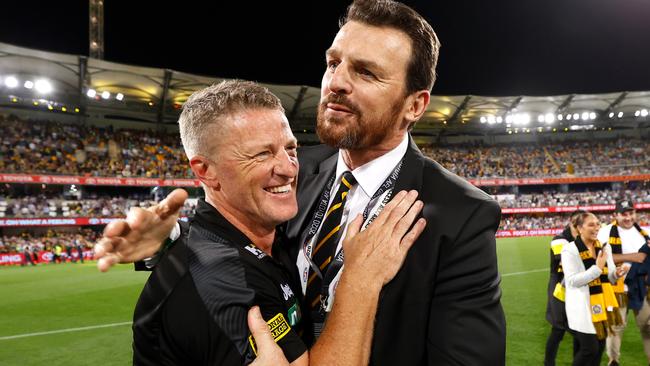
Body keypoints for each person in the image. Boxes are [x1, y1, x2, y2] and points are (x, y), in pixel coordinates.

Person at [96, 1, 505, 364]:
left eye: (365, 72)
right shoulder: (295, 169)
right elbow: (241, 236)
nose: (336, 82)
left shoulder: (460, 213)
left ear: (414, 105)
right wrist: (171, 242)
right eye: (333, 63)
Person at [129, 80, 425, 365]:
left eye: (291, 148)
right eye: (262, 154)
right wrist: (360, 279)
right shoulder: (224, 282)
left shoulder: (260, 230)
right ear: (206, 171)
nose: (289, 168)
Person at [561, 211, 626, 366]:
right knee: (589, 349)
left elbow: (609, 277)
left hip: (601, 306)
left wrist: (616, 274)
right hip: (581, 309)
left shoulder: (604, 247)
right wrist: (596, 268)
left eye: (598, 224)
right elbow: (571, 281)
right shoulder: (570, 250)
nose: (596, 227)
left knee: (599, 348)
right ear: (579, 228)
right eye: (591, 224)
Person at [598, 199, 650, 366]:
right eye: (624, 214)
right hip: (616, 288)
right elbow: (600, 258)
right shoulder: (605, 232)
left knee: (648, 328)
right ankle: (613, 360)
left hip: (641, 287)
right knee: (616, 328)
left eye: (631, 213)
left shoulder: (643, 232)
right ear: (616, 215)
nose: (628, 218)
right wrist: (634, 257)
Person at [545, 210, 584, 366]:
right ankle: (549, 363)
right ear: (570, 222)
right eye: (576, 223)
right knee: (558, 329)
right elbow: (568, 262)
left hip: (577, 287)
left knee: (579, 330)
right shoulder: (558, 240)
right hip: (559, 288)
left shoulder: (583, 239)